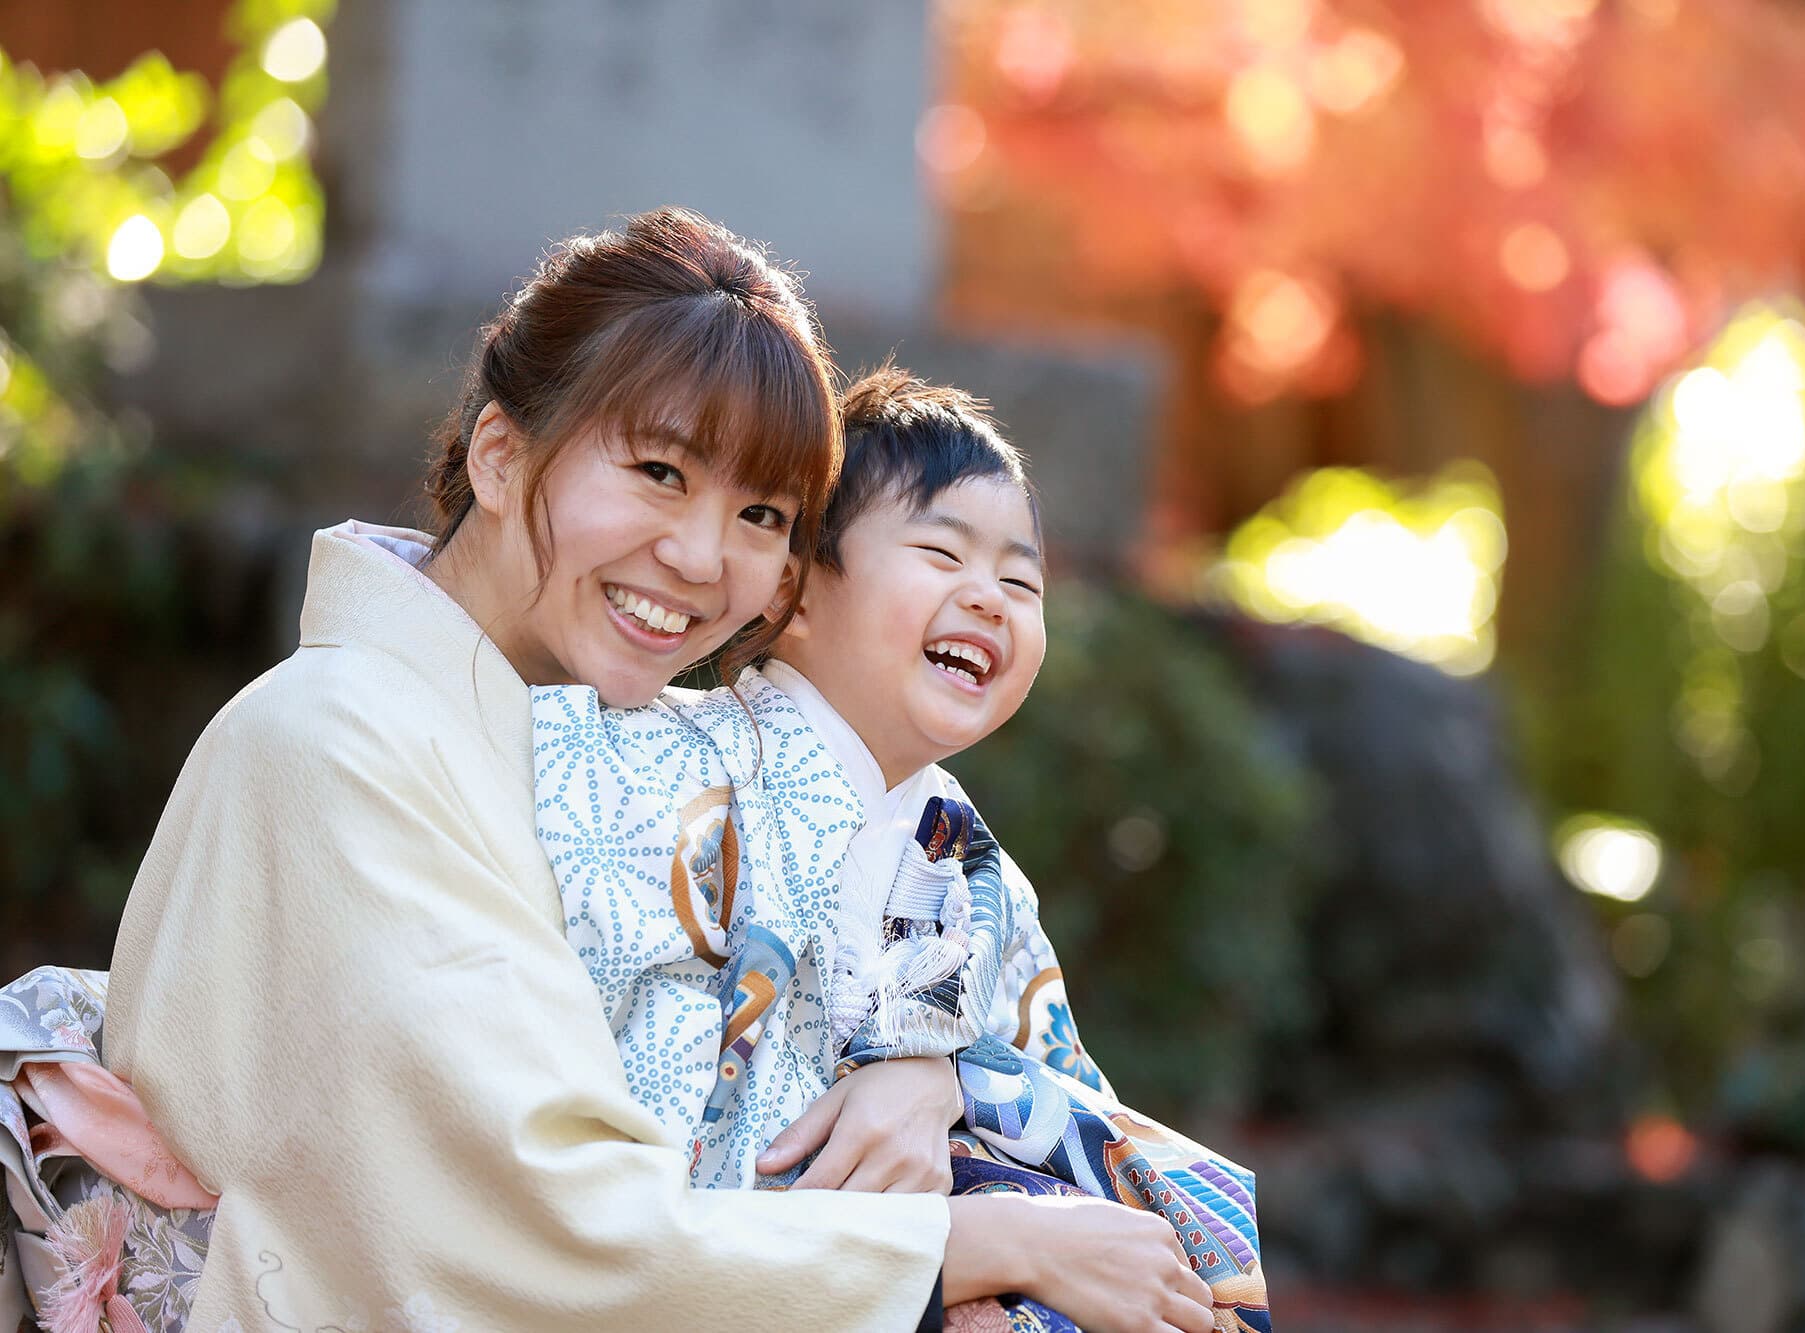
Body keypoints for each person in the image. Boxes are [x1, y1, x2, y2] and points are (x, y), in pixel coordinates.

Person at [67, 207, 1211, 1333]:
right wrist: (969, 1243)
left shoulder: (648, 748)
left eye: (762, 511)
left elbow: (883, 934)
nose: (704, 558)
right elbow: (530, 1222)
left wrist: (927, 1070)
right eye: (660, 471)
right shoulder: (334, 739)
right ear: (503, 453)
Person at [532, 366, 1269, 1333]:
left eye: (1020, 579)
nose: (990, 598)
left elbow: (1068, 1103)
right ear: (791, 591)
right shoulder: (649, 767)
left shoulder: (981, 873)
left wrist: (948, 1076)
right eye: (941, 552)